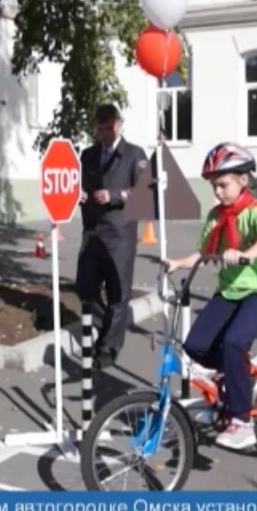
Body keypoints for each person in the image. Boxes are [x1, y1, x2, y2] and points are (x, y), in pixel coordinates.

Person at [162, 142, 257, 451]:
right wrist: (177, 263)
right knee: (194, 345)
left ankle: (242, 421)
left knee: (233, 342)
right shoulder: (216, 216)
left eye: (223, 185)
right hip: (230, 292)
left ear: (243, 180)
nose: (217, 192)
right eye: (213, 186)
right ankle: (232, 374)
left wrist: (245, 254)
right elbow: (205, 253)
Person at [76, 103, 148, 369]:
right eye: (100, 129)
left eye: (109, 128)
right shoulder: (88, 155)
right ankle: (107, 326)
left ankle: (108, 347)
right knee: (85, 288)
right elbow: (77, 183)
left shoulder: (134, 155)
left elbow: (145, 192)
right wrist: (77, 195)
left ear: (117, 125)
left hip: (120, 233)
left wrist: (115, 195)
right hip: (92, 230)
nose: (105, 134)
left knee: (118, 293)